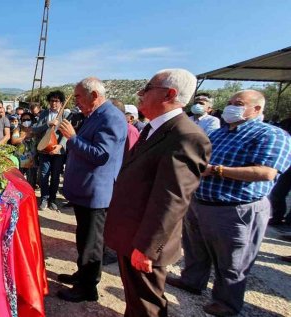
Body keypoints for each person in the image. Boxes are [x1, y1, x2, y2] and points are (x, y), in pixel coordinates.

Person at [167, 89, 291, 316]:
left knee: (233, 259)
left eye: (239, 103)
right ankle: (192, 281)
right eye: (231, 102)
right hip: (201, 201)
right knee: (195, 248)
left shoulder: (271, 135)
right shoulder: (220, 133)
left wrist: (217, 171)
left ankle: (226, 303)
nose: (233, 106)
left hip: (236, 208)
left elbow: (266, 173)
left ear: (257, 109)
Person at [104, 69, 211, 317]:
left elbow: (172, 199)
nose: (140, 93)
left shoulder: (187, 136)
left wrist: (148, 248)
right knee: (136, 298)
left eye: (148, 88)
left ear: (170, 94)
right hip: (132, 233)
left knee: (146, 304)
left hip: (145, 241)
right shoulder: (155, 128)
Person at [55, 77, 128, 302]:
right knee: (84, 238)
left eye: (78, 96)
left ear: (94, 95)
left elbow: (100, 155)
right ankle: (82, 275)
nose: (75, 101)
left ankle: (88, 288)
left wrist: (73, 139)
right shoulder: (95, 115)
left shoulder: (111, 117)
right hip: (85, 191)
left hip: (96, 193)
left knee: (92, 244)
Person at [32, 90, 71, 211]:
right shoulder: (44, 113)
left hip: (58, 151)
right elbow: (35, 129)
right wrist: (47, 124)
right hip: (44, 150)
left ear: (61, 102)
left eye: (57, 101)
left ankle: (52, 199)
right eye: (52, 100)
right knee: (43, 175)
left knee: (55, 176)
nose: (54, 103)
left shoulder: (65, 114)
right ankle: (44, 198)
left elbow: (66, 133)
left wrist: (60, 146)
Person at [11, 112, 36, 182]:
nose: (26, 121)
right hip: (20, 159)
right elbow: (14, 141)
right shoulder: (18, 129)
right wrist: (25, 136)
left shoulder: (35, 129)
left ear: (31, 120)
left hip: (32, 160)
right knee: (19, 180)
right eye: (24, 120)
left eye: (28, 119)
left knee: (31, 181)